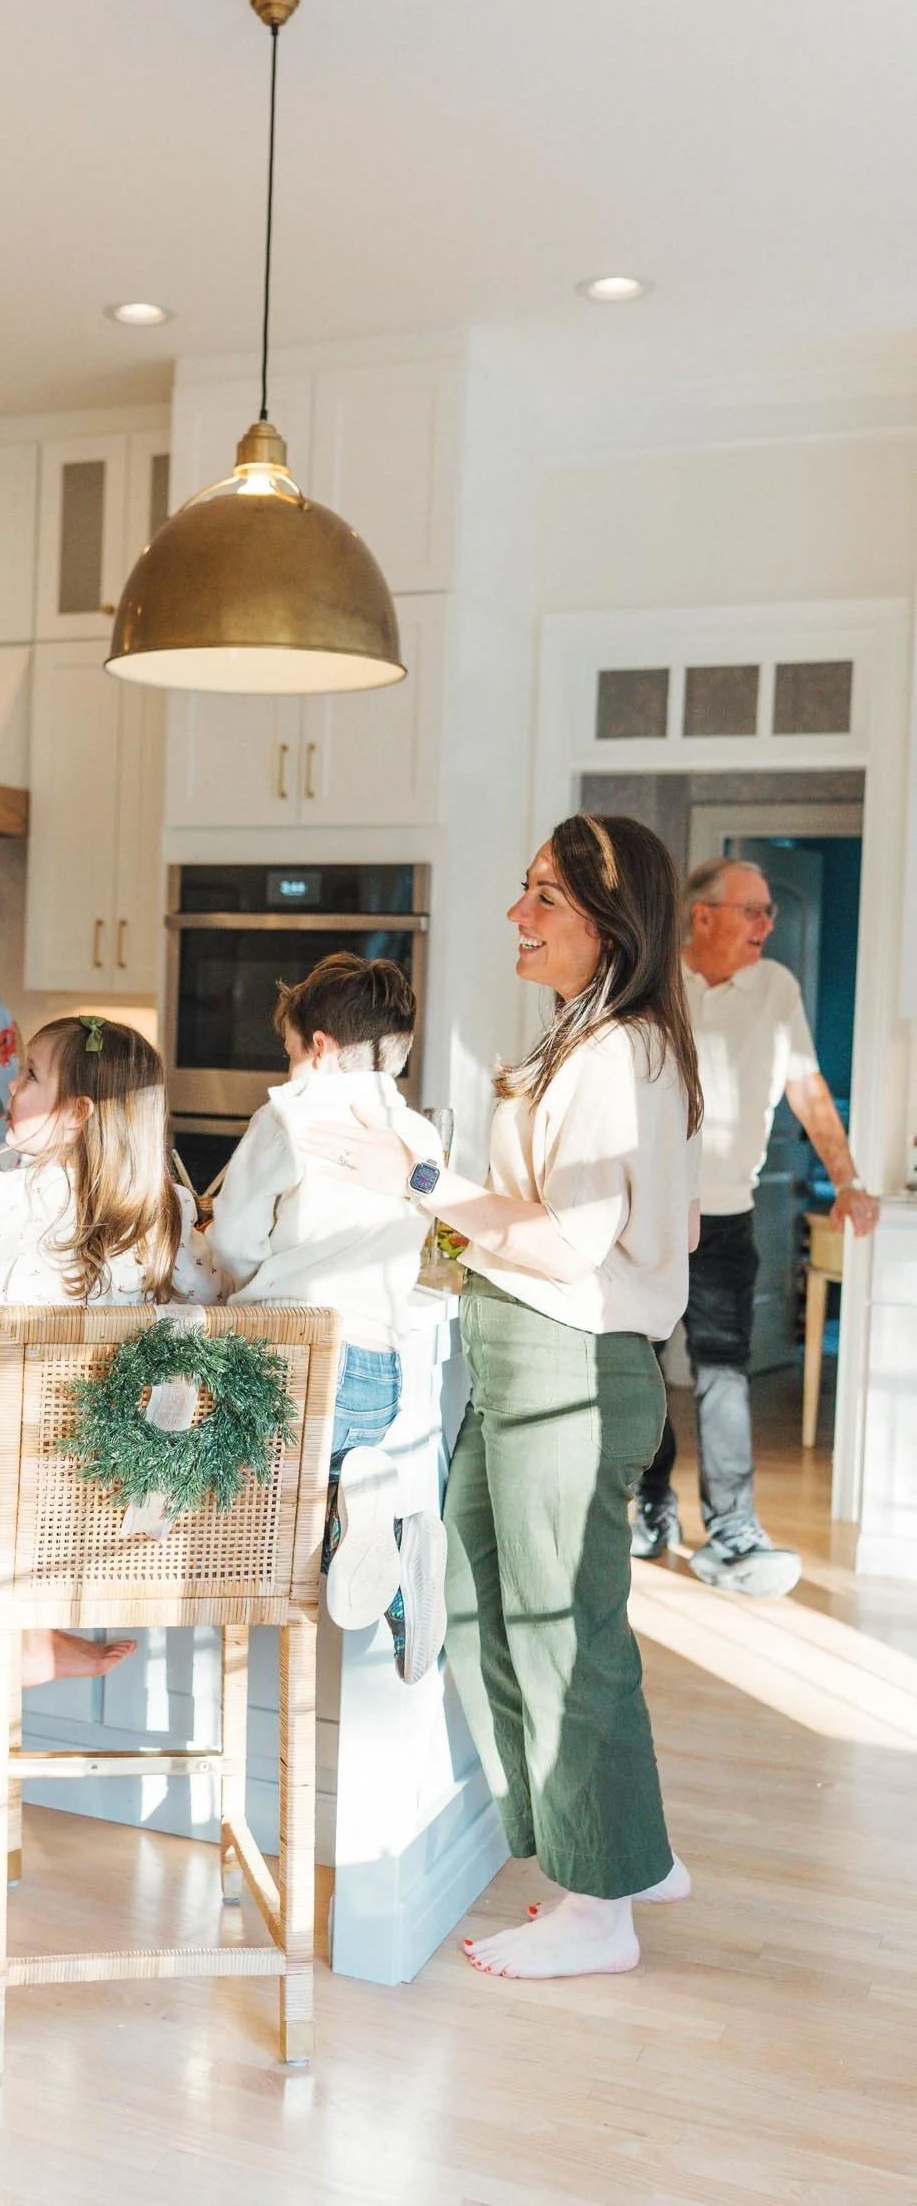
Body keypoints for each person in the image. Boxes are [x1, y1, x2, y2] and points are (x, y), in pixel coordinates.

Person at [305, 815, 700, 1981]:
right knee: (490, 1604)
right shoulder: (602, 1044)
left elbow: (576, 1242)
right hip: (539, 1360)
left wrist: (423, 1181)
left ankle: (600, 1903)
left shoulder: (617, 1054)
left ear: (606, 923)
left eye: (543, 898)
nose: (517, 917)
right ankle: (620, 1849)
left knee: (553, 1632)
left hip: (568, 1373)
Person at [0, 1014, 221, 1683]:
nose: (10, 1088)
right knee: (67, 1438)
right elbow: (206, 1301)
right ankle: (2, 1593)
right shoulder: (167, 1207)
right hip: (77, 1456)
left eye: (29, 1074)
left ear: (79, 1112)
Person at [632, 856, 880, 1594]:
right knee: (640, 1368)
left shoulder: (776, 988)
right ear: (703, 915)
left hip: (727, 1219)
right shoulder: (650, 984)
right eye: (754, 911)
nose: (768, 925)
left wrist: (849, 1180)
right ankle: (651, 1506)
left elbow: (807, 1089)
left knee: (723, 1372)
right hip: (642, 1217)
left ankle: (733, 1528)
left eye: (770, 911)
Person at [208, 952, 449, 1681]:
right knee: (319, 1498)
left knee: (249, 1513)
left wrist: (240, 1283)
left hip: (294, 1355)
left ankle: (371, 1516)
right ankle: (387, 1531)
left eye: (291, 1050)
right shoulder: (423, 1139)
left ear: (317, 1046)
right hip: (377, 1371)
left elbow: (233, 1236)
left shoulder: (289, 1116)